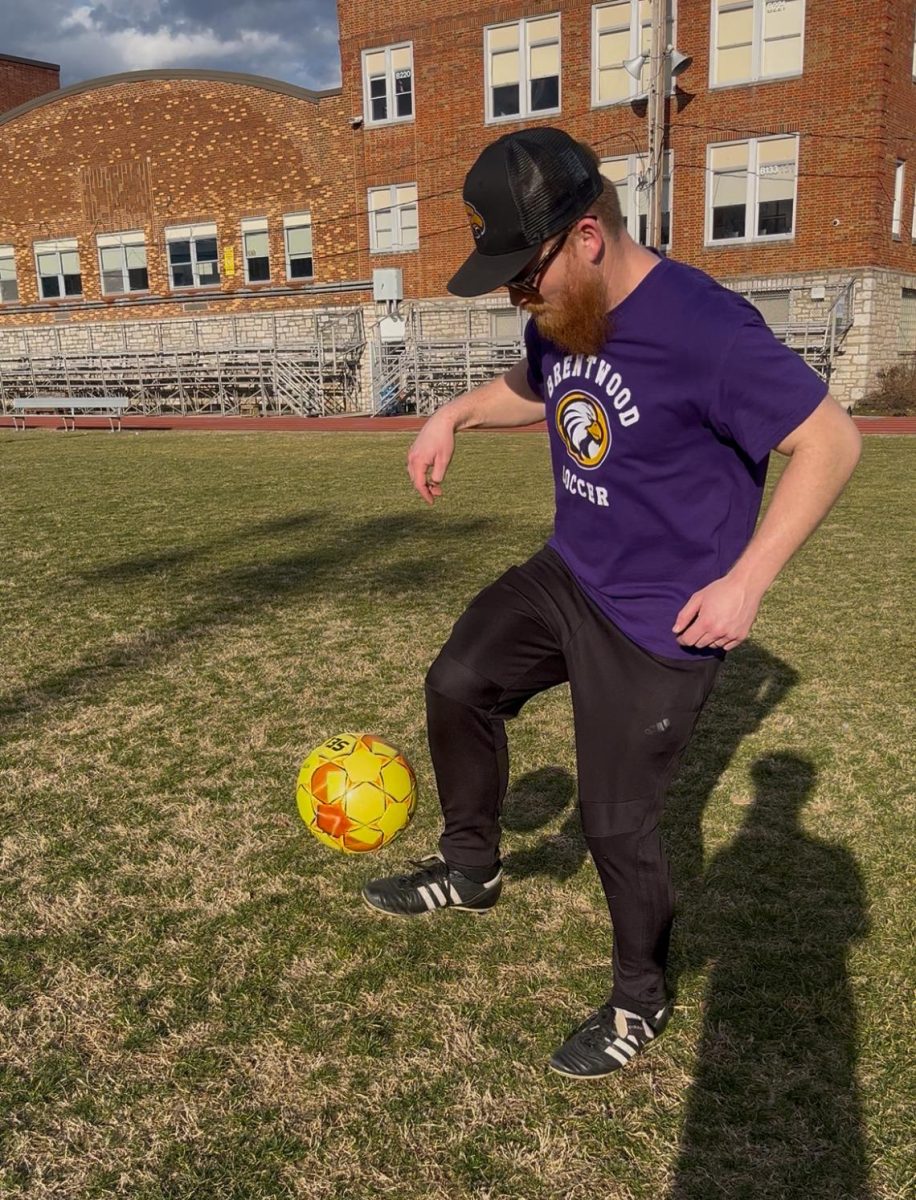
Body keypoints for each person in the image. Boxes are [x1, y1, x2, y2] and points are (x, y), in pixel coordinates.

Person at [361, 126, 861, 1080]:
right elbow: (542, 389)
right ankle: (472, 867)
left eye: (524, 274)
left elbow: (830, 442)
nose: (519, 295)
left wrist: (745, 580)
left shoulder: (707, 328)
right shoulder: (565, 314)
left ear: (586, 237)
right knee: (458, 680)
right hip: (571, 575)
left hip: (661, 621)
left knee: (613, 823)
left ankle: (641, 998)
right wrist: (457, 410)